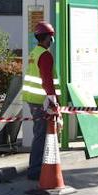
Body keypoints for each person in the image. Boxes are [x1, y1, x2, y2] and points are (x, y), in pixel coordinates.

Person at [23, 21, 60, 180]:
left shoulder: (34, 53)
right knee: (41, 135)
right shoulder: (45, 55)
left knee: (40, 134)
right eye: (52, 37)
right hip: (42, 101)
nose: (52, 40)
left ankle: (38, 167)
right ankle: (35, 170)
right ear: (48, 38)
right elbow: (47, 80)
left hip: (33, 99)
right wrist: (53, 101)